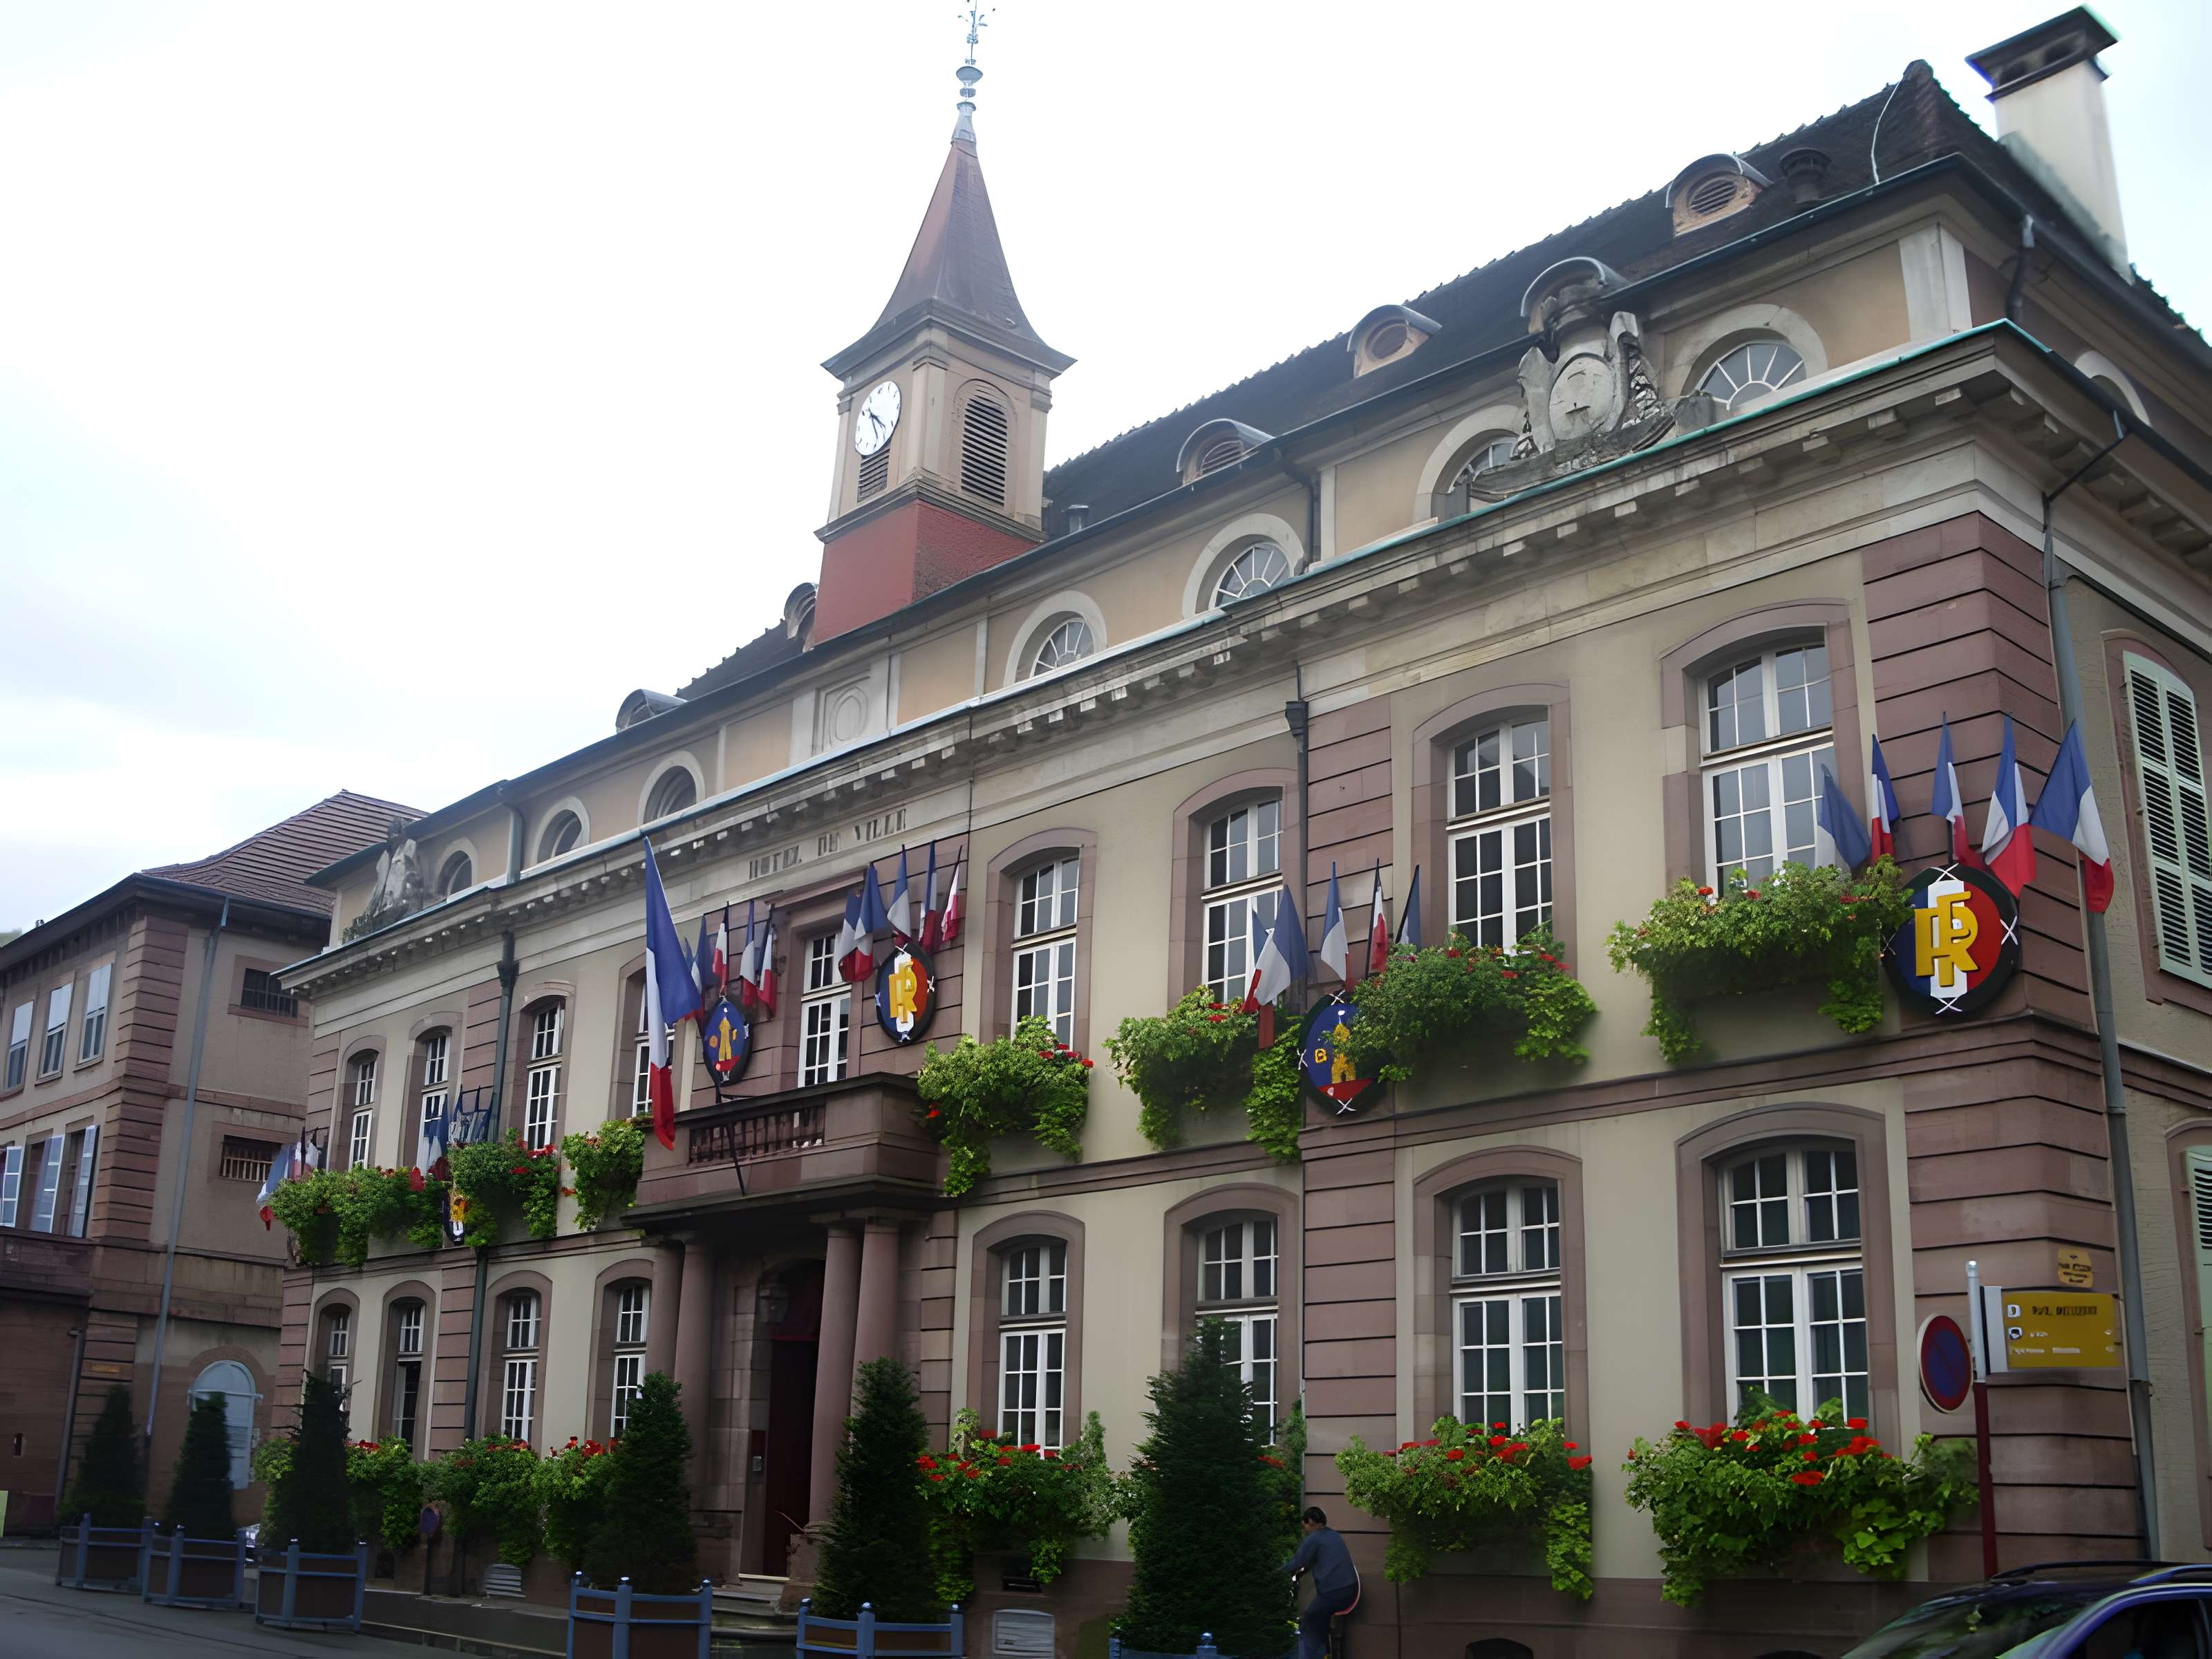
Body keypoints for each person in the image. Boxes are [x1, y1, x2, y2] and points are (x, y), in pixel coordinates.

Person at [1284, 1505, 1358, 1659]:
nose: (1305, 1530)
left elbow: (1296, 1563)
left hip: (1334, 1594)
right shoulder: (1334, 1535)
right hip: (1351, 1590)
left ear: (1310, 1522)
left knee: (1308, 1623)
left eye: (1304, 1525)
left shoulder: (1314, 1538)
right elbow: (1314, 1562)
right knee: (1319, 1619)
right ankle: (1325, 1653)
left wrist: (1276, 1572)